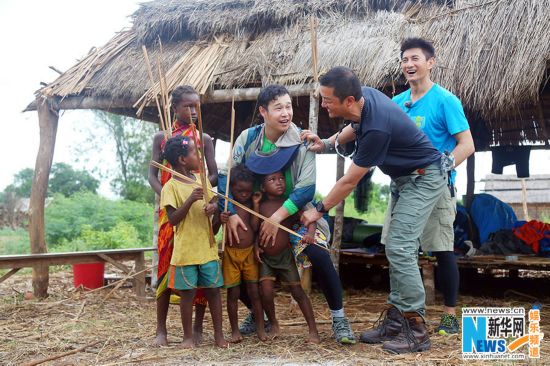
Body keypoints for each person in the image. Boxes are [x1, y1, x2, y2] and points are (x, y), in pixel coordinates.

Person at [301, 66, 447, 354]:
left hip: (424, 177)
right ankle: (396, 320)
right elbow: (354, 127)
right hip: (405, 179)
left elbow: (349, 180)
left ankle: (415, 328)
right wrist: (329, 142)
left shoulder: (377, 127)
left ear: (349, 100)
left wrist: (318, 210)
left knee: (401, 246)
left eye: (328, 100)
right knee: (392, 247)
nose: (324, 104)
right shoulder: (364, 100)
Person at [218, 84, 356, 344]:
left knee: (317, 252)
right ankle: (258, 315)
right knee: (239, 254)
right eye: (278, 107)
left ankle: (339, 319)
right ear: (263, 112)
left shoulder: (302, 141)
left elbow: (306, 189)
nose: (286, 113)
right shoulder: (247, 139)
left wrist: (277, 218)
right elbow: (226, 176)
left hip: (296, 214)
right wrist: (233, 212)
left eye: (288, 106)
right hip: (255, 214)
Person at [389, 38, 474, 334]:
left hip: (435, 188)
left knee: (441, 249)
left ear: (430, 63)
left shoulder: (445, 100)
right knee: (399, 248)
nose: (409, 65)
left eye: (415, 59)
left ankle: (449, 315)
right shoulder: (397, 103)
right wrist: (331, 142)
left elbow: (467, 145)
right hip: (402, 187)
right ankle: (403, 312)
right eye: (404, 60)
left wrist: (442, 169)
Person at [148, 85, 218, 346]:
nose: (193, 111)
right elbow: (152, 175)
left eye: (196, 106)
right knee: (167, 266)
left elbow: (213, 174)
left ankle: (197, 329)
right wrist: (169, 193)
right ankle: (161, 330)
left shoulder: (204, 140)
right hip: (172, 213)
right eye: (187, 106)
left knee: (200, 267)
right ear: (174, 108)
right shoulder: (163, 137)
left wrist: (199, 187)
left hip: (198, 208)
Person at [160, 135, 227, 348]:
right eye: (194, 152)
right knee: (187, 293)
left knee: (214, 291)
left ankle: (219, 336)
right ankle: (187, 338)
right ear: (182, 159)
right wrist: (190, 200)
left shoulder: (202, 178)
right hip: (185, 251)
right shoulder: (170, 187)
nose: (199, 155)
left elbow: (214, 202)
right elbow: (172, 219)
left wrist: (214, 207)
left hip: (207, 248)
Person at [253, 171, 320, 344]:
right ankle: (274, 323)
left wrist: (310, 233)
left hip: (285, 256)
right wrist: (256, 246)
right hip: (266, 258)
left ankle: (313, 330)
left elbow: (309, 219)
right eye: (272, 179)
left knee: (298, 292)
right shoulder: (260, 205)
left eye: (281, 178)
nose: (279, 182)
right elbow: (254, 228)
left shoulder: (288, 204)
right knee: (266, 292)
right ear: (262, 186)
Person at [219, 164, 267, 343]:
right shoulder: (225, 205)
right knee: (233, 294)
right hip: (230, 254)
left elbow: (255, 227)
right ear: (231, 188)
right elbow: (215, 227)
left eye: (248, 191)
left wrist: (254, 205)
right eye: (240, 191)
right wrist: (221, 218)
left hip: (249, 255)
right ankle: (234, 332)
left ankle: (261, 329)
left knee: (255, 292)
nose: (244, 194)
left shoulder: (250, 204)